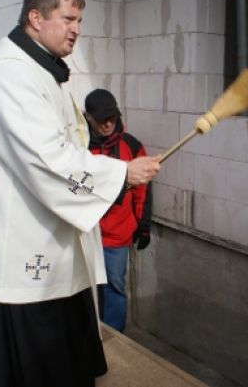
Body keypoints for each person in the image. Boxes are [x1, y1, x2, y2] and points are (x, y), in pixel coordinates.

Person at [0, 0, 160, 387]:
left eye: (80, 20)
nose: (77, 30)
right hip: (21, 247)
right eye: (68, 19)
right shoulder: (9, 74)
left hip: (53, 237)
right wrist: (121, 174)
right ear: (35, 18)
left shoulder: (42, 68)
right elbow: (45, 157)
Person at [84, 88, 152, 332]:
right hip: (84, 235)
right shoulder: (77, 150)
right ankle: (89, 335)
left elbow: (142, 190)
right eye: (101, 119)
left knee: (114, 287)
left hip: (117, 237)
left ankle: (115, 340)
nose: (108, 124)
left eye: (112, 117)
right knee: (85, 289)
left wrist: (143, 225)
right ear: (87, 117)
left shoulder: (132, 147)